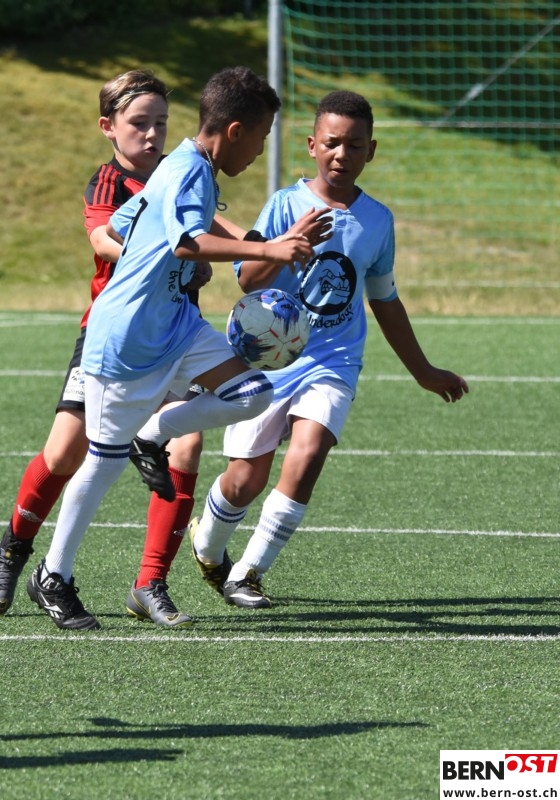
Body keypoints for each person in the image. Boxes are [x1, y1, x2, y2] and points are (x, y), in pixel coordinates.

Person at [25, 65, 329, 630]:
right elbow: (186, 242)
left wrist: (178, 256)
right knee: (100, 465)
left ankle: (153, 433)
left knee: (252, 391)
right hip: (129, 336)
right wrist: (275, 251)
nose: (261, 151)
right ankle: (52, 575)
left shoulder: (183, 169)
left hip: (178, 326)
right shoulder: (187, 169)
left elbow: (126, 222)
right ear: (235, 131)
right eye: (262, 137)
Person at [189, 90, 469, 608]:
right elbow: (248, 281)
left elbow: (384, 300)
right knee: (245, 480)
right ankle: (207, 545)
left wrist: (423, 370)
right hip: (270, 361)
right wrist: (287, 243)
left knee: (310, 450)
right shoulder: (284, 205)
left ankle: (247, 573)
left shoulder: (378, 220)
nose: (342, 154)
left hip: (333, 361)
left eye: (355, 145)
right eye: (333, 143)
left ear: (371, 151)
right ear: (312, 145)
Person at [0, 69, 206, 629]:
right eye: (139, 123)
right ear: (108, 127)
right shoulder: (107, 183)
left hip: (176, 332)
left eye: (161, 123)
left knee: (187, 443)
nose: (151, 134)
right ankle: (14, 549)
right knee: (64, 454)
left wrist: (251, 250)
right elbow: (103, 239)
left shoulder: (180, 173)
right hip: (113, 337)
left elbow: (212, 232)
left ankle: (150, 583)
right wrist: (165, 252)